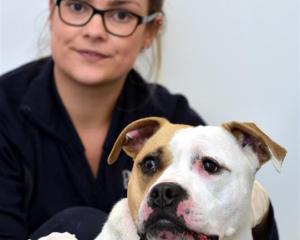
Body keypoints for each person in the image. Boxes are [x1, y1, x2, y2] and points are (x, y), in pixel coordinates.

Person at [0, 0, 278, 239]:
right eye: (76, 6)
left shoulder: (177, 119)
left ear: (150, 31)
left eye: (121, 14)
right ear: (52, 10)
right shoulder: (5, 112)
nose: (94, 31)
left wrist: (258, 207)